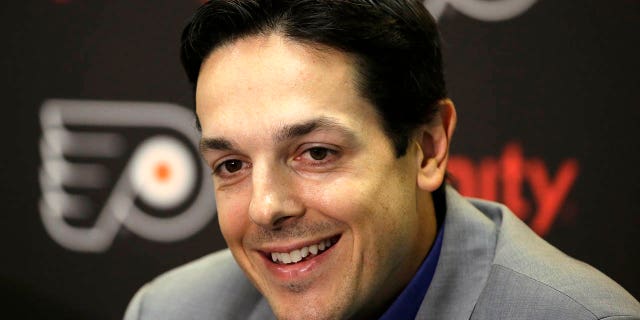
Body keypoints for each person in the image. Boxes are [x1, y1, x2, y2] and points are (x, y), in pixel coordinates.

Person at [125, 0, 640, 319]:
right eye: (232, 165)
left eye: (316, 153)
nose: (265, 207)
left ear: (428, 147)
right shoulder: (168, 310)